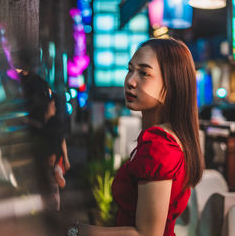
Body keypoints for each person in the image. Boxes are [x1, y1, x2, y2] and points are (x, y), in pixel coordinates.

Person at [71, 38, 205, 236]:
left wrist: (73, 231)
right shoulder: (168, 138)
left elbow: (146, 234)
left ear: (171, 84)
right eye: (130, 70)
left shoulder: (160, 145)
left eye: (144, 73)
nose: (130, 81)